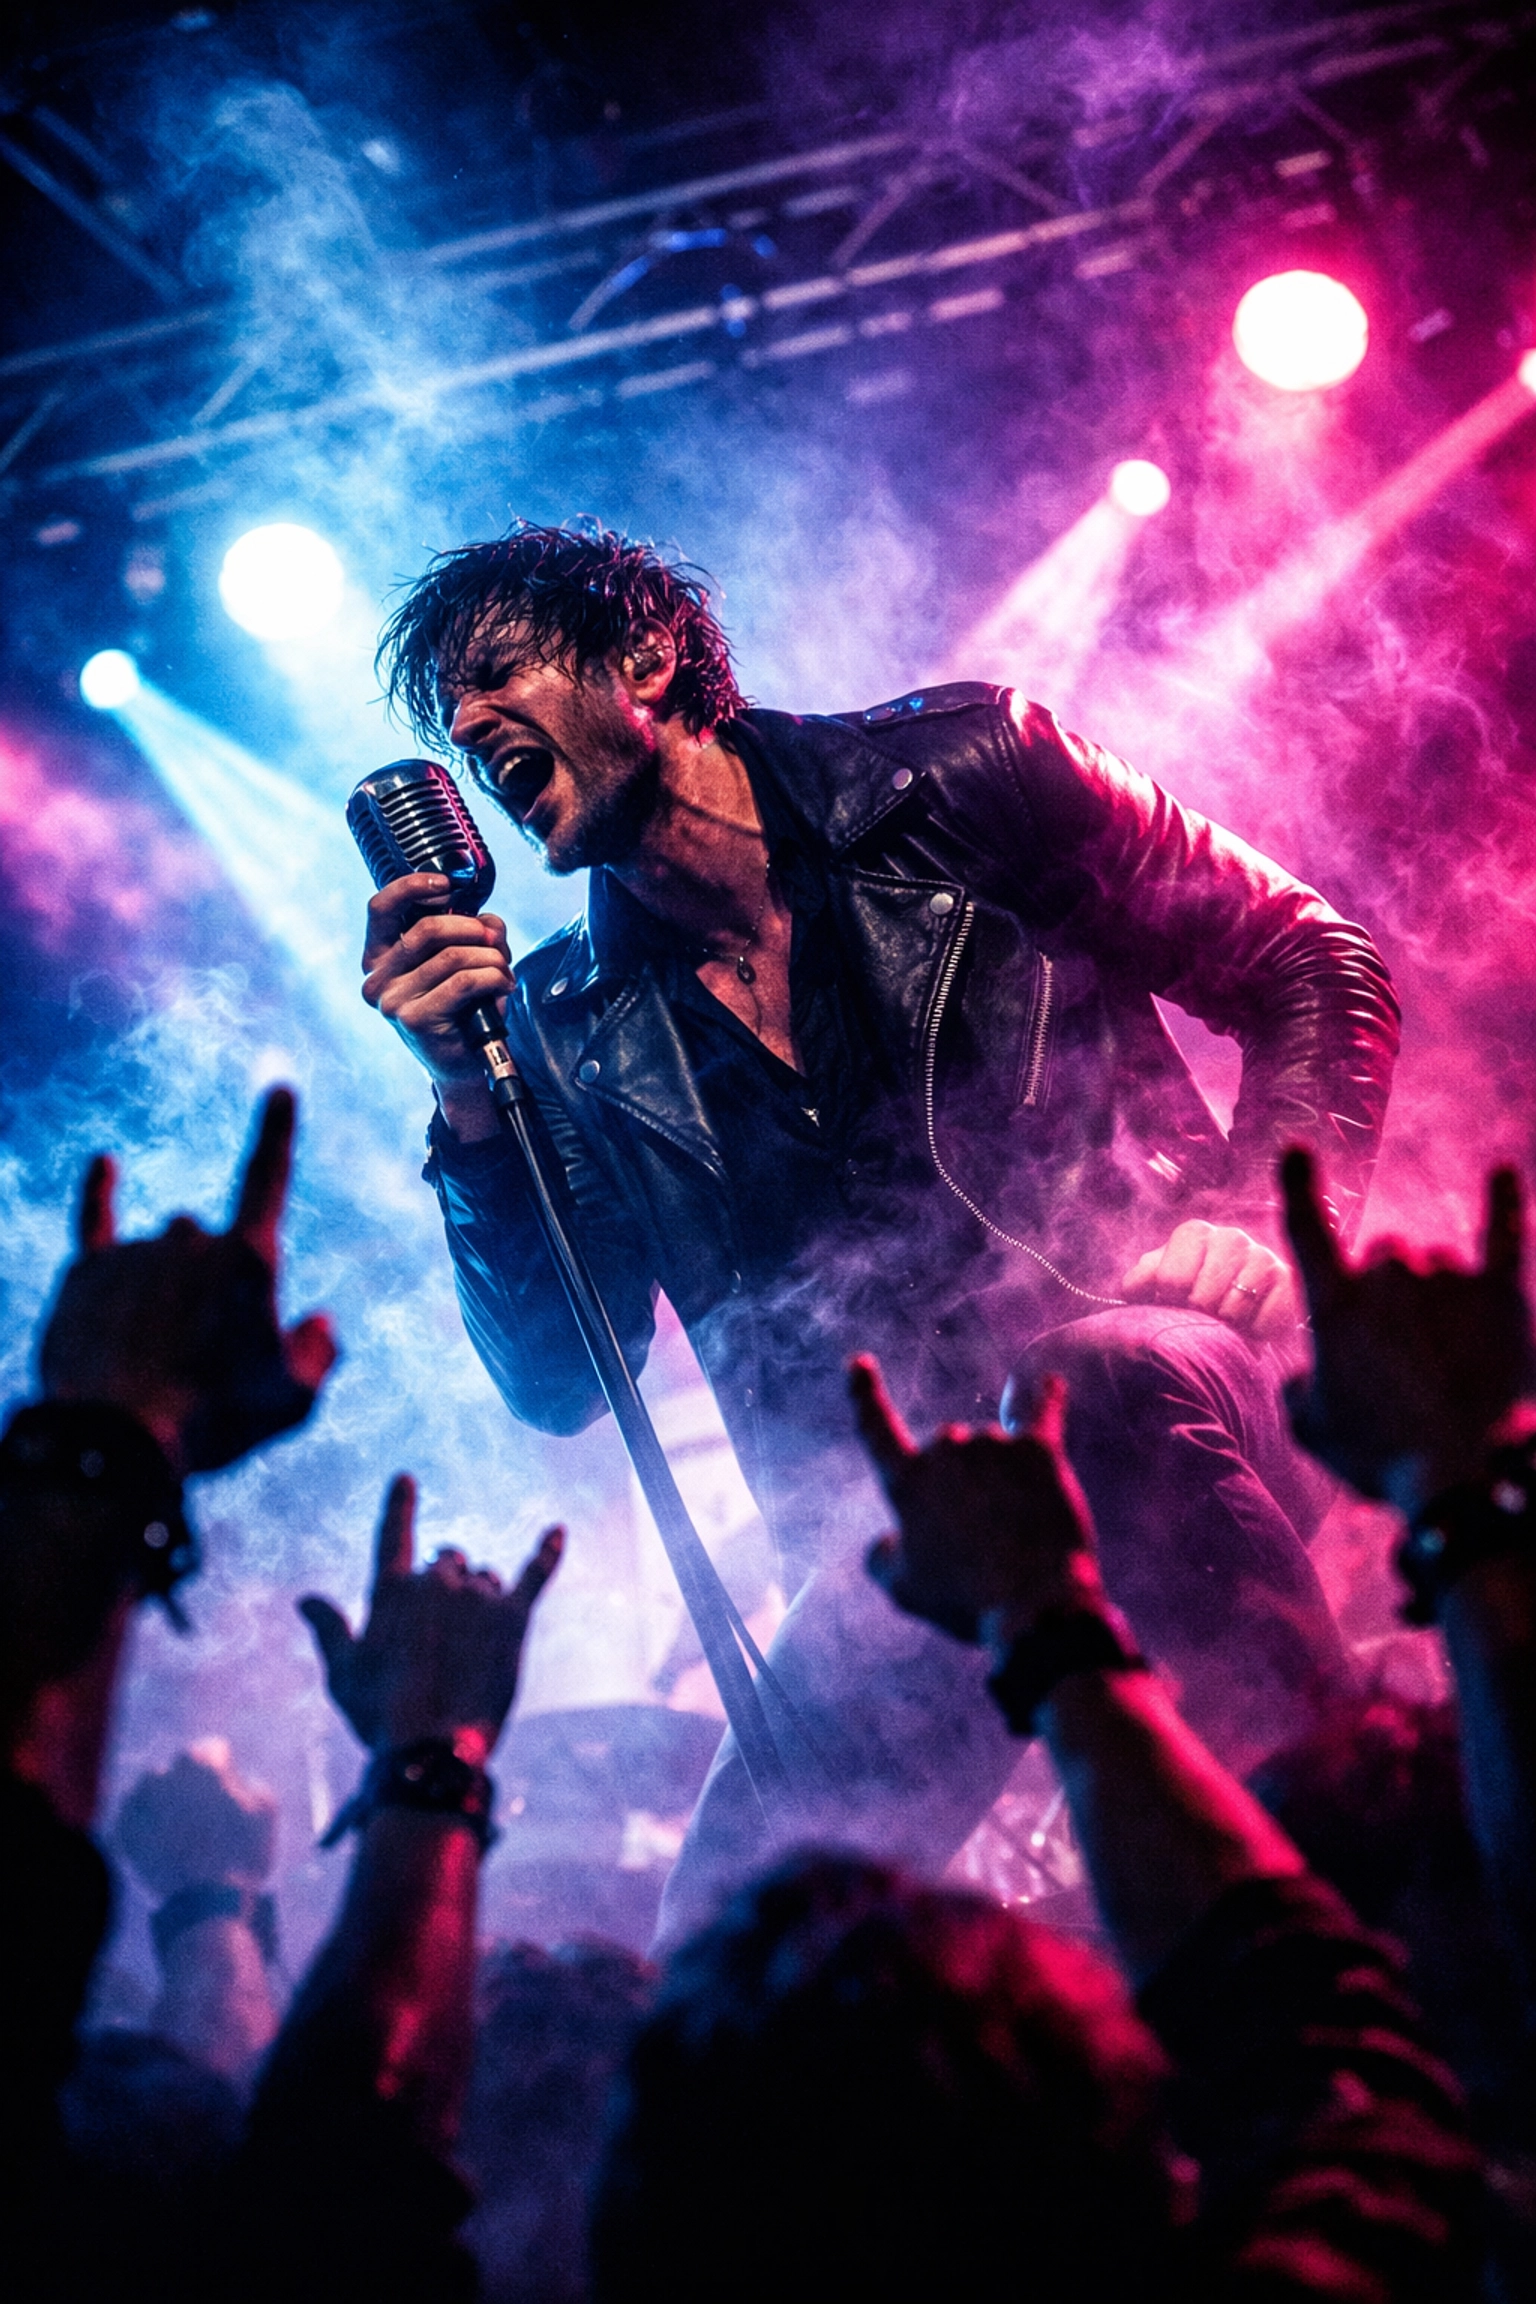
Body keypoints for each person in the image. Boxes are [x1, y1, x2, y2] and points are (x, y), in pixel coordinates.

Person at [364, 520, 1399, 1929]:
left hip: (1166, 1380)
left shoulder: (970, 777)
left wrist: (1266, 1222)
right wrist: (469, 1114)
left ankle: (1366, 1904)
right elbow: (559, 1375)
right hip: (894, 1546)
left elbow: (1307, 960)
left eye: (496, 674)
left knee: (1089, 1377)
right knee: (725, 1963)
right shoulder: (559, 1025)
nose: (473, 728)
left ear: (646, 661)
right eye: (451, 719)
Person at [588, 1356, 1478, 2304]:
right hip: (1040, 1455)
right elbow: (1306, 2026)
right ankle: (1432, 1969)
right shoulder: (1329, 2261)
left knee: (709, 2022)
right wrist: (1046, 1616)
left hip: (1076, 1397)